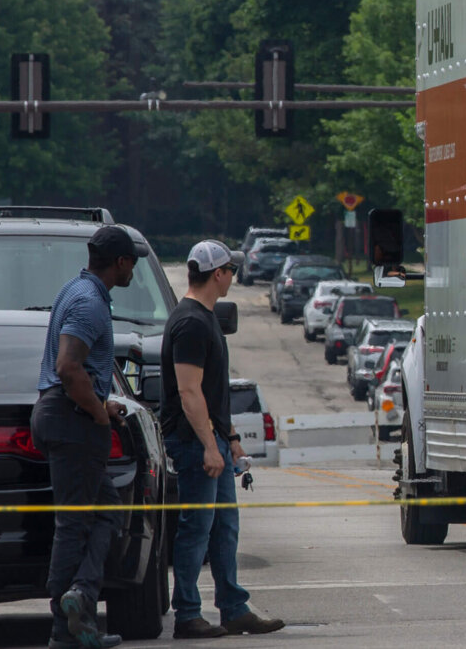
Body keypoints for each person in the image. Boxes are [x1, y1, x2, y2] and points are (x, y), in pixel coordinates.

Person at [161, 240, 285, 639]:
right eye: (231, 270)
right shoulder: (191, 322)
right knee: (196, 527)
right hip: (194, 441)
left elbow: (212, 393)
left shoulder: (206, 318)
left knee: (224, 525)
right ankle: (187, 614)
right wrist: (210, 447)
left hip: (212, 438)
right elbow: (189, 392)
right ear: (218, 275)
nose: (234, 276)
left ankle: (234, 608)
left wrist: (230, 437)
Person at [32, 225, 148, 649]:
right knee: (74, 525)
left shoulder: (74, 290)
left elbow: (77, 371)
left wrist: (103, 403)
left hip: (67, 415)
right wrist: (99, 414)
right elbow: (67, 367)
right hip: (72, 421)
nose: (134, 266)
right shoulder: (89, 304)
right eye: (132, 260)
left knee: (105, 513)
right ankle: (65, 629)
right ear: (119, 263)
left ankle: (80, 601)